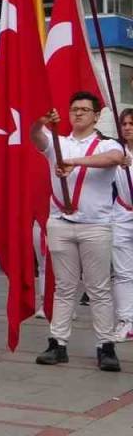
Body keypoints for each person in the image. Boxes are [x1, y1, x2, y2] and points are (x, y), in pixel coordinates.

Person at [32, 92, 123, 372]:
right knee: (64, 287)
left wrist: (76, 162)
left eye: (85, 110)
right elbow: (36, 135)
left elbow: (114, 158)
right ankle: (57, 343)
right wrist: (41, 121)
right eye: (74, 109)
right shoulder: (58, 142)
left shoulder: (106, 143)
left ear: (97, 115)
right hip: (60, 223)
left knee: (98, 289)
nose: (79, 114)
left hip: (95, 225)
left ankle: (105, 346)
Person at [112, 108, 133, 343]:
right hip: (121, 213)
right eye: (124, 124)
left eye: (131, 123)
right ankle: (125, 320)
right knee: (122, 273)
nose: (127, 127)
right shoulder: (115, 151)